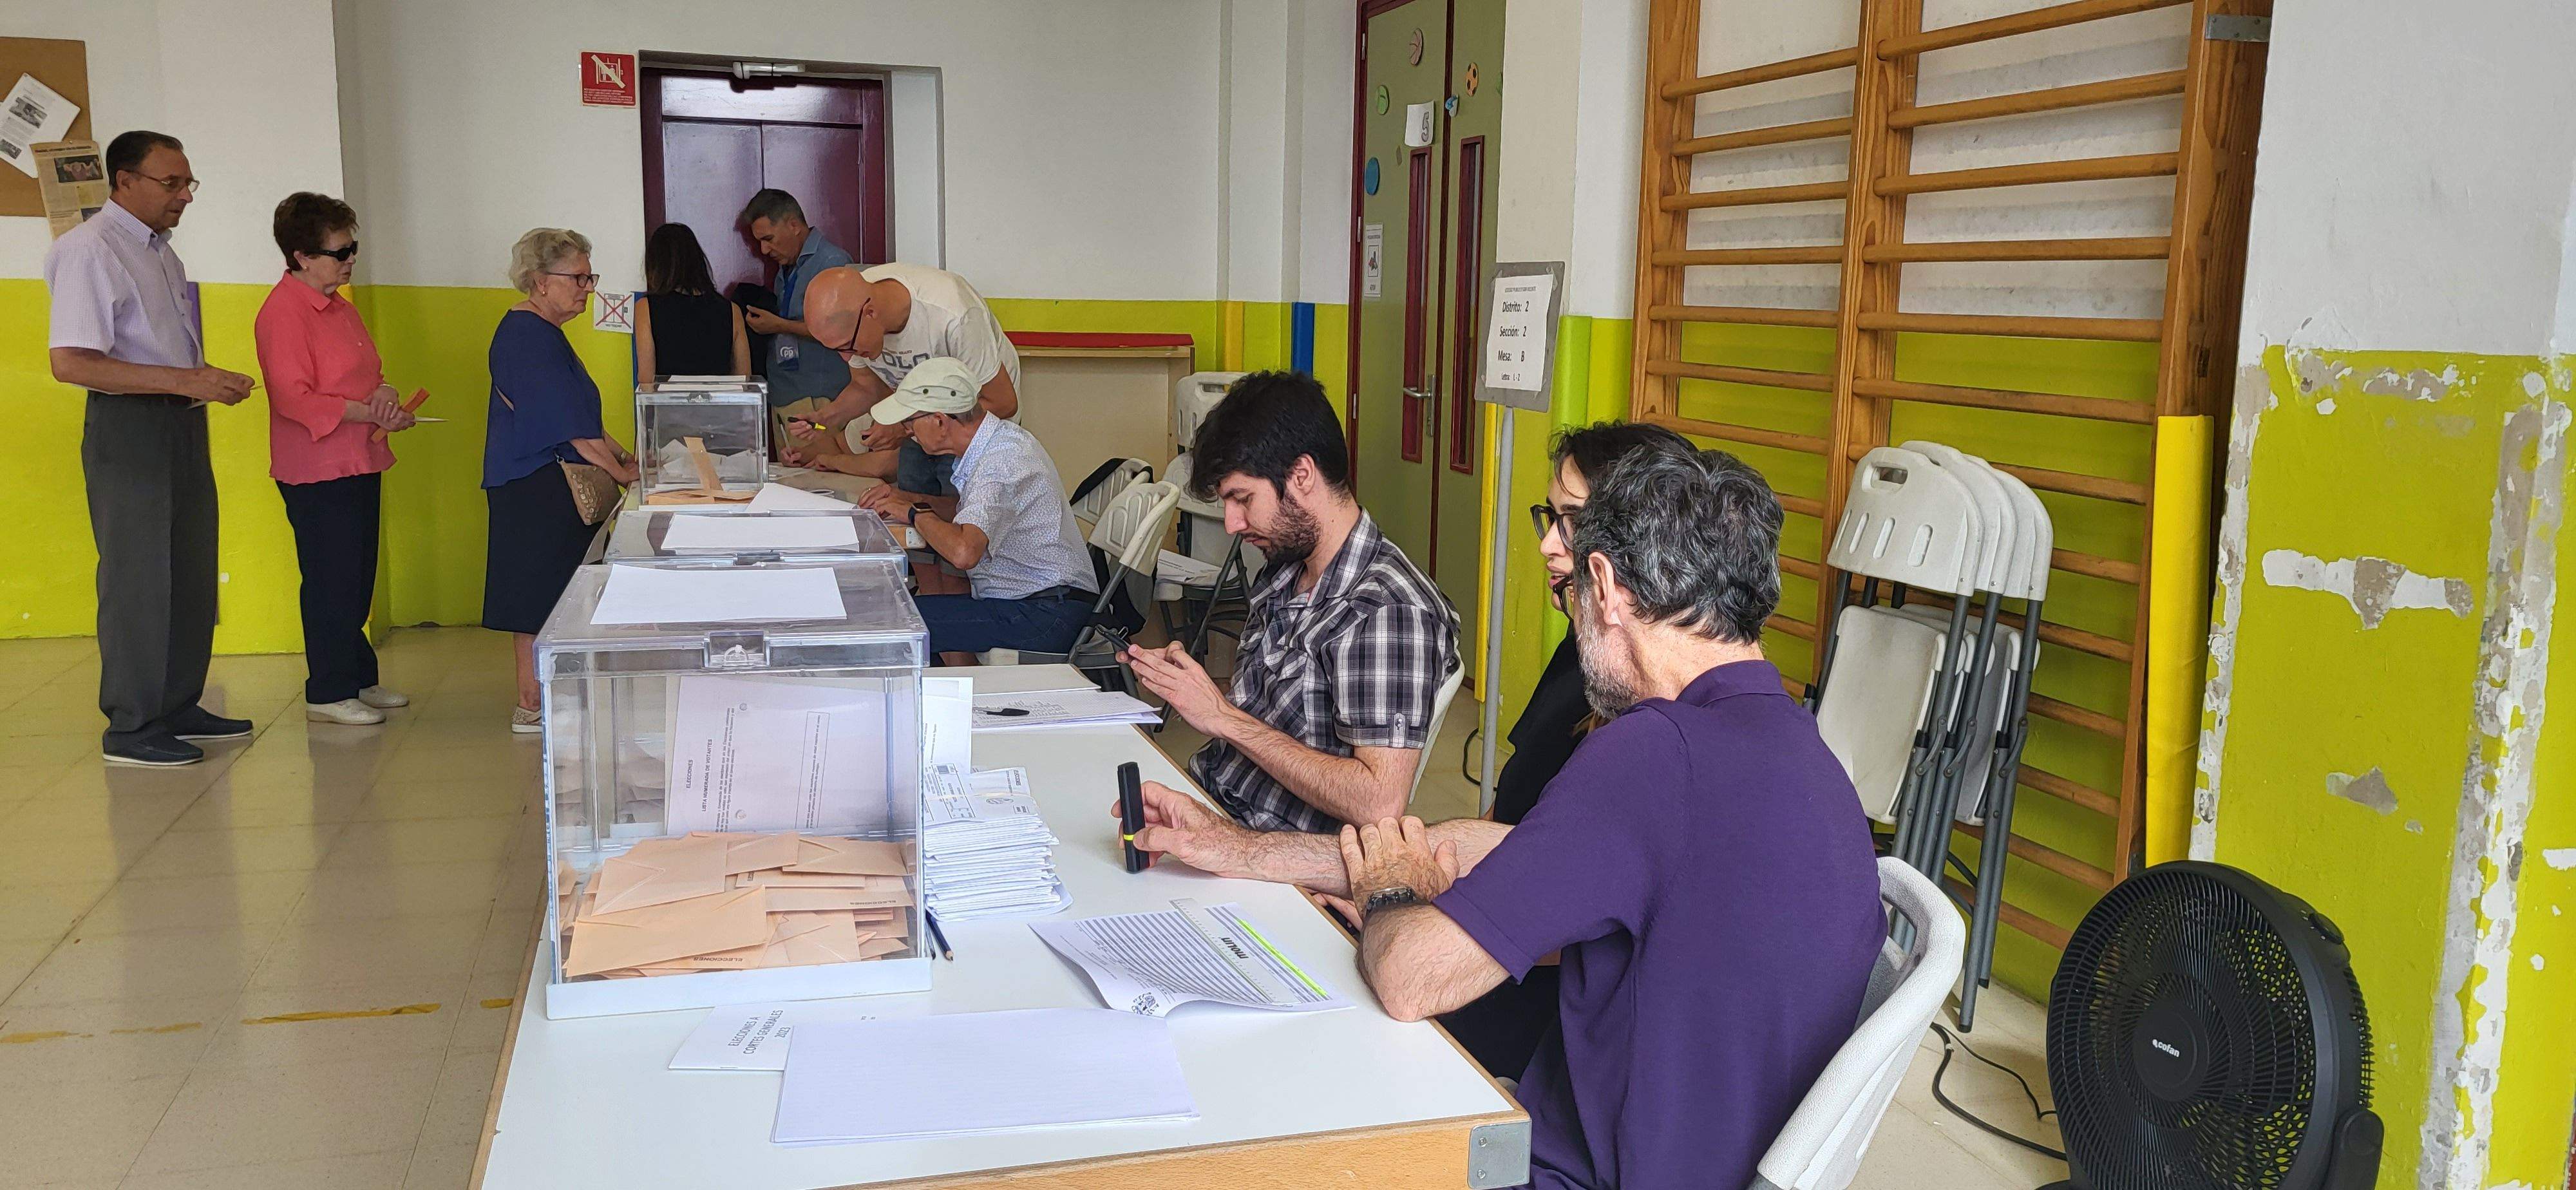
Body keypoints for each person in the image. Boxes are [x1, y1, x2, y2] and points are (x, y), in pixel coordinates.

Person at [1123, 446, 1886, 1190]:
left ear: (1606, 583)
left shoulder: (1653, 753)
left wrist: (1390, 897)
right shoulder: (1797, 751)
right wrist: (1239, 851)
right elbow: (1476, 850)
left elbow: (1407, 978)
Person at [1437, 419, 1695, 1079]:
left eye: (1571, 521)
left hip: (1547, 1001)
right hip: (1501, 929)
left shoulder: (1663, 718)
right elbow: (1507, 814)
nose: (1550, 545)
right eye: (1548, 517)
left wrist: (1439, 926)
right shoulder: (1578, 652)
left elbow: (1580, 922)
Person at [1121, 372, 1458, 834]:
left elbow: (1377, 803)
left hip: (1273, 856)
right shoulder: (1285, 569)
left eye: (1243, 499)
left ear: (1301, 475)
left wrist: (1223, 718)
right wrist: (1197, 694)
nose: (1233, 523)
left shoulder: (1387, 611)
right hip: (1216, 808)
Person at [44, 130, 256, 767]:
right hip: (130, 429)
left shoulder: (161, 253)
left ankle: (176, 703)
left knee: (189, 569)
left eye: (189, 183)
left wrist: (200, 379)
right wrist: (184, 381)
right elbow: (73, 363)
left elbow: (158, 348)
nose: (185, 195)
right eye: (172, 184)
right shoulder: (89, 250)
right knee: (140, 576)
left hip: (180, 422)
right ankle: (132, 727)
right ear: (124, 181)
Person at [252, 192, 420, 727]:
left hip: (358, 456)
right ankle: (326, 689)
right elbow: (292, 398)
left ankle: (357, 676)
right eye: (340, 251)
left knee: (357, 573)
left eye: (355, 248)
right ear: (302, 255)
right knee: (330, 577)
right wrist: (361, 410)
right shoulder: (284, 312)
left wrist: (386, 400)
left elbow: (370, 375)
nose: (351, 260)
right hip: (317, 465)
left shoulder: (340, 306)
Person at [483, 228, 638, 733]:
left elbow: (583, 416)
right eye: (577, 277)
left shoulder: (546, 333)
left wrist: (623, 456)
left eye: (590, 276)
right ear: (539, 281)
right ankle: (533, 704)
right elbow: (564, 426)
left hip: (550, 479)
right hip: (534, 482)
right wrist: (622, 475)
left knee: (559, 590)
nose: (587, 287)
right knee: (536, 597)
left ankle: (555, 694)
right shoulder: (525, 335)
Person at [858, 358, 1095, 660]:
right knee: (903, 612)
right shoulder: (995, 443)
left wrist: (914, 514)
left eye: (910, 422)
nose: (907, 431)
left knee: (897, 622)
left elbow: (964, 553)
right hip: (1038, 601)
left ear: (940, 421)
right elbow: (962, 513)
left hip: (1045, 612)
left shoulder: (1000, 463)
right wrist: (902, 499)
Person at [789, 262, 1020, 498]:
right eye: (835, 349)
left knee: (958, 508)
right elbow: (865, 387)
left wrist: (903, 426)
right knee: (912, 489)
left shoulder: (954, 315)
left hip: (975, 420)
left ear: (870, 313)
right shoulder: (851, 308)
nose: (847, 357)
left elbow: (1003, 402)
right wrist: (824, 418)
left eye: (847, 346)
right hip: (919, 423)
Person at [737, 189, 852, 433]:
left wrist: (780, 326)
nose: (764, 250)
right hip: (785, 393)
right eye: (759, 242)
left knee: (821, 469)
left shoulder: (832, 262)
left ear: (794, 225)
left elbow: (842, 330)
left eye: (768, 239)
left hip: (820, 399)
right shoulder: (788, 265)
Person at [634, 222, 750, 380]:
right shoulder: (732, 310)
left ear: (657, 264)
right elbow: (744, 380)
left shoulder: (646, 308)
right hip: (721, 405)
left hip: (667, 405)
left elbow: (647, 382)